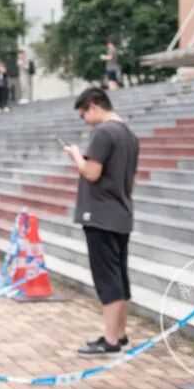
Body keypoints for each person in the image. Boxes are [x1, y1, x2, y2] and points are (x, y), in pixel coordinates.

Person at [62, 87, 139, 356]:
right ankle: (120, 334)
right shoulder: (128, 134)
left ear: (93, 106)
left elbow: (92, 172)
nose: (85, 120)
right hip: (120, 211)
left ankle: (110, 339)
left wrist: (76, 155)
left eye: (84, 114)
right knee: (119, 275)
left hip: (100, 215)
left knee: (107, 278)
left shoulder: (104, 133)